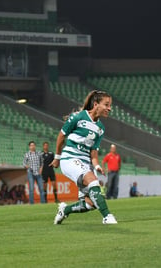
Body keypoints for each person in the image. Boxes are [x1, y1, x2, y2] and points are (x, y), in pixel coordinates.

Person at [52, 90, 117, 225]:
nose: (109, 108)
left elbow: (93, 152)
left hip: (85, 162)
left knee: (90, 203)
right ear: (96, 104)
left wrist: (97, 165)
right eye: (106, 104)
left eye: (110, 105)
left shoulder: (100, 128)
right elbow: (61, 136)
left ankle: (65, 210)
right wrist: (57, 157)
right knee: (93, 182)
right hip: (70, 158)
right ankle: (107, 216)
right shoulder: (78, 117)